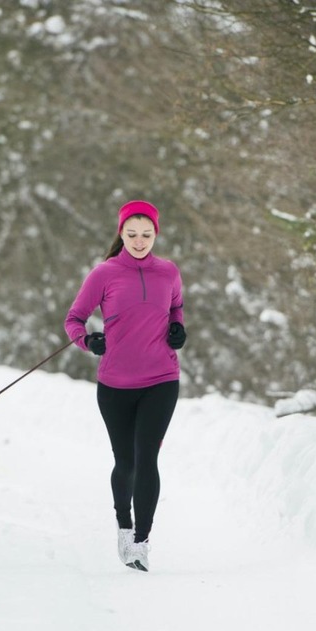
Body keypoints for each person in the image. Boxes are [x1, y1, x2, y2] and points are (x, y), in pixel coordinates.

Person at [65, 199, 187, 572]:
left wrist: (178, 329)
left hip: (161, 380)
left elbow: (176, 308)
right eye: (131, 234)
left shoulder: (168, 272)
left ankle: (141, 542)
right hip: (115, 384)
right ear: (121, 233)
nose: (139, 241)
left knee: (148, 457)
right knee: (127, 461)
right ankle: (124, 526)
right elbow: (74, 320)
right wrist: (90, 341)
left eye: (146, 234)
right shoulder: (104, 273)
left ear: (156, 234)